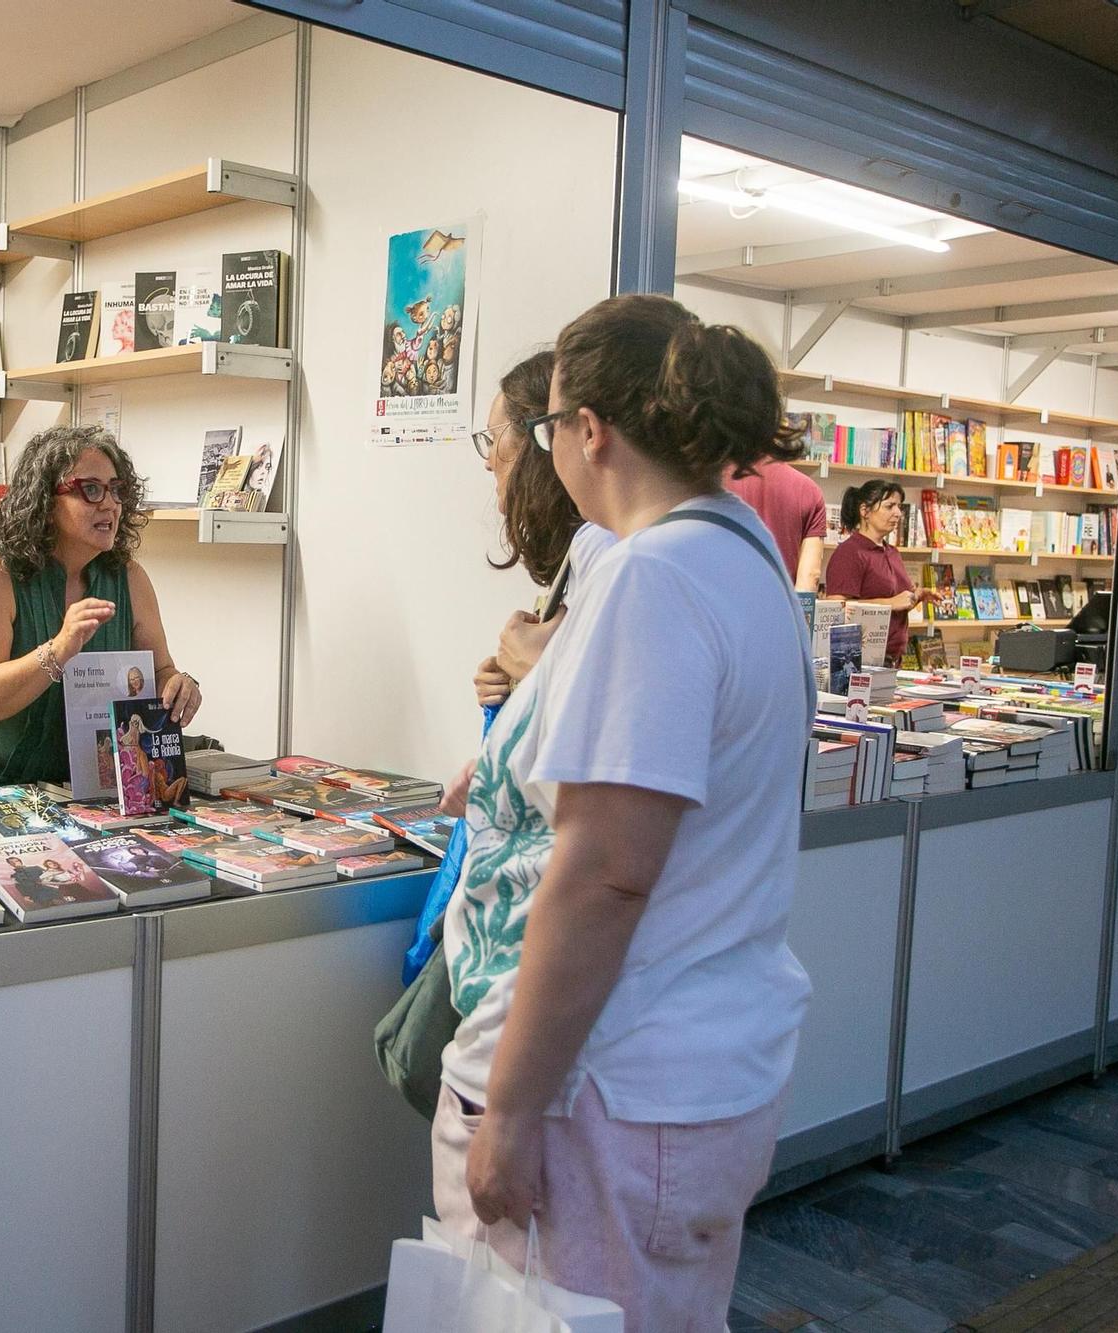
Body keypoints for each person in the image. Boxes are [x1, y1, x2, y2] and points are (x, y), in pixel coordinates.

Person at [434, 293, 814, 1329]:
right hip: (694, 1072)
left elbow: (603, 871)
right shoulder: (742, 557)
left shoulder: (654, 577)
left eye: (549, 425)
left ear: (589, 430)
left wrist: (506, 1112)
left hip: (603, 1083)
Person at [0, 426, 201, 779]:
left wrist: (181, 685)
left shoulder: (130, 579)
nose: (109, 504)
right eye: (90, 490)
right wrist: (59, 650)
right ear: (44, 502)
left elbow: (160, 671)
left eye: (116, 490)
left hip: (64, 782)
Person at [468, 350, 617, 710]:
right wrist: (512, 680)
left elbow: (621, 709)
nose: (488, 462)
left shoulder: (606, 546)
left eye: (493, 438)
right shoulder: (585, 547)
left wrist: (536, 670)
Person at [822, 479, 945, 665]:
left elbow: (899, 602)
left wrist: (917, 596)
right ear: (865, 511)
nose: (897, 513)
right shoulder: (850, 553)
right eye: (889, 506)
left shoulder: (892, 552)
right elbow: (835, 609)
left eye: (899, 506)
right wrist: (889, 603)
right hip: (860, 662)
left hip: (892, 660)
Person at [723, 455, 828, 591]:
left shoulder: (716, 481)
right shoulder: (809, 491)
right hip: (780, 607)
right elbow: (809, 577)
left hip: (723, 605)